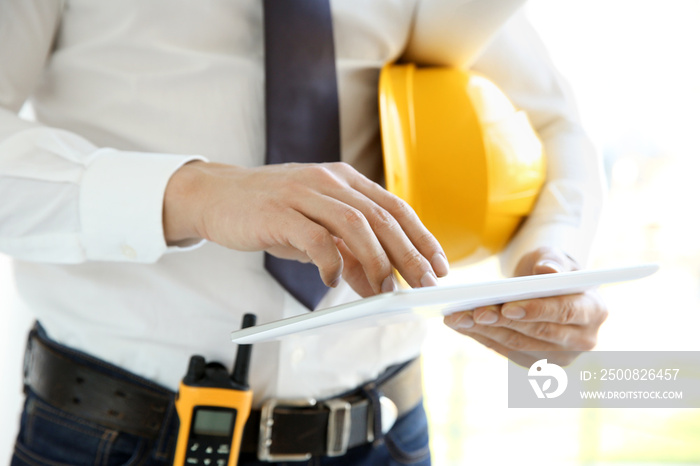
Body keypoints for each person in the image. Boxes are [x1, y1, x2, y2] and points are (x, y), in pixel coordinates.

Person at [0, 1, 607, 464]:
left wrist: (549, 259)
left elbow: (553, 121)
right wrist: (194, 194)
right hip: (112, 435)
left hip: (385, 431)